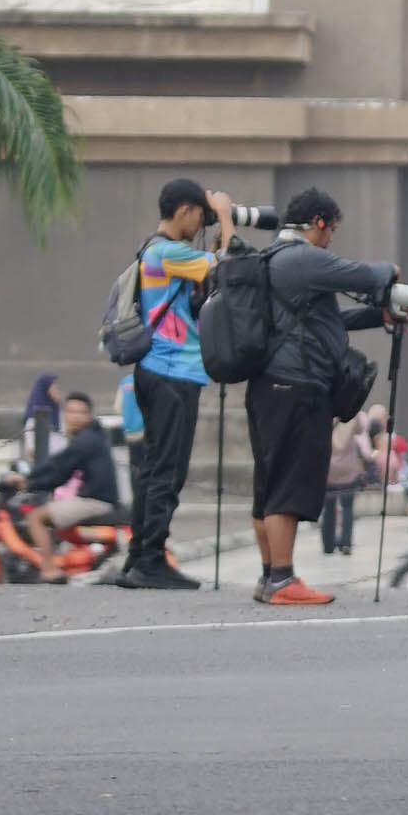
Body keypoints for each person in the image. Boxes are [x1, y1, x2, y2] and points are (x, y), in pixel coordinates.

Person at [248, 190, 398, 609]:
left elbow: (328, 321)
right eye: (331, 230)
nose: (331, 240)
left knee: (269, 482)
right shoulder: (302, 258)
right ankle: (282, 579)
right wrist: (391, 275)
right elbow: (366, 275)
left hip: (270, 386)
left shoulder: (273, 260)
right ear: (318, 222)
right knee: (288, 482)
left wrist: (378, 315)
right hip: (296, 387)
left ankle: (269, 576)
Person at [119, 174, 234, 592]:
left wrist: (217, 229)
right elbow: (231, 267)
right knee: (167, 471)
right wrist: (225, 215)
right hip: (172, 372)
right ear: (185, 210)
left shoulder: (156, 250)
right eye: (201, 215)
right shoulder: (167, 252)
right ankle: (150, 561)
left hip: (158, 370)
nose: (202, 223)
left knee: (153, 469)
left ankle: (139, 558)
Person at [18, 390, 123, 572]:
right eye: (71, 412)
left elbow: (60, 467)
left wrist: (28, 483)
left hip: (95, 501)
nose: (75, 417)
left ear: (90, 416)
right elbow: (60, 469)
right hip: (98, 498)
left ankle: (49, 570)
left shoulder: (86, 440)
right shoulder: (94, 436)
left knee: (36, 517)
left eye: (81, 412)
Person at [320, 406, 377, 561]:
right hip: (348, 466)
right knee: (347, 507)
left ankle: (328, 544)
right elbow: (361, 429)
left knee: (329, 507)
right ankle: (346, 542)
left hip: (328, 467)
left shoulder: (324, 410)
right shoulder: (352, 413)